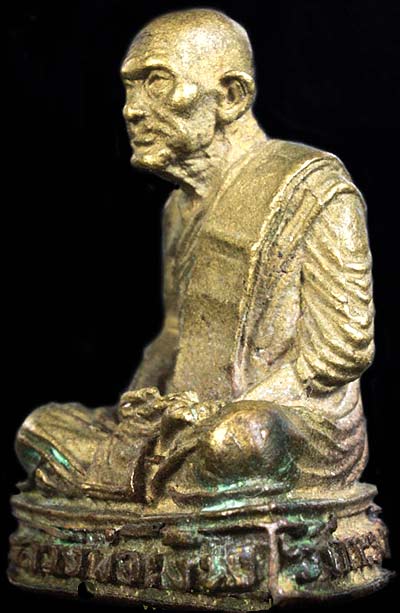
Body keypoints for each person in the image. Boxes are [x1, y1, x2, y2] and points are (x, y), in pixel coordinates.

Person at [15, 9, 374, 505]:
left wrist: (225, 412)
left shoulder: (315, 189)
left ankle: (148, 476)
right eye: (129, 88)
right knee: (39, 429)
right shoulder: (178, 208)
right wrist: (135, 410)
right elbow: (174, 333)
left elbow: (341, 351)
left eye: (156, 83)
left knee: (238, 442)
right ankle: (154, 471)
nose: (131, 110)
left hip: (285, 419)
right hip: (184, 415)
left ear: (231, 96)